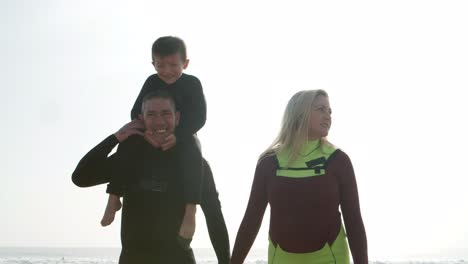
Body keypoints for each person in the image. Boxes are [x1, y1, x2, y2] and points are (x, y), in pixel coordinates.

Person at [72, 91, 230, 263]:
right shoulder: (129, 159)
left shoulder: (195, 165)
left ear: (177, 117)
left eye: (166, 113)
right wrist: (115, 138)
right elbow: (81, 177)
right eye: (151, 114)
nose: (159, 121)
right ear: (141, 119)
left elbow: (214, 218)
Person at [230, 90, 368, 264]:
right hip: (281, 258)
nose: (328, 116)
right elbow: (251, 219)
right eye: (320, 109)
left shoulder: (338, 161)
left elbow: (353, 220)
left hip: (331, 258)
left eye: (329, 111)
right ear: (299, 114)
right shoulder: (269, 163)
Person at [101, 36, 206, 243]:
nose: (167, 71)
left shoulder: (192, 83)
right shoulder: (151, 81)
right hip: (150, 137)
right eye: (161, 65)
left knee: (194, 149)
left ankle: (190, 211)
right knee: (128, 142)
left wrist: (178, 136)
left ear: (185, 63)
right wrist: (146, 133)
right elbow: (136, 112)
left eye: (173, 65)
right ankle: (114, 197)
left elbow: (199, 117)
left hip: (182, 136)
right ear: (153, 64)